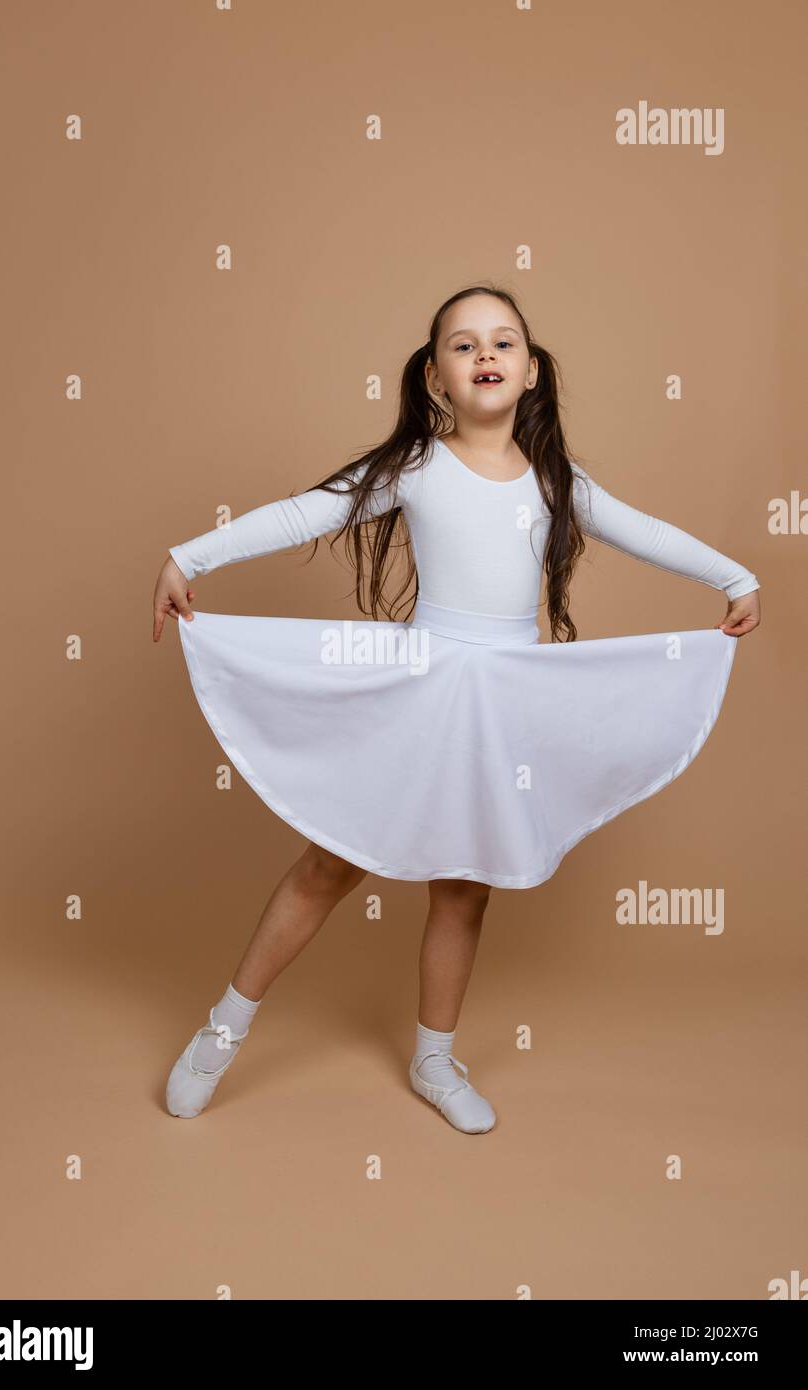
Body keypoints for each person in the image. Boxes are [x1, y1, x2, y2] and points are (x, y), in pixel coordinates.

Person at [152, 284, 761, 1135]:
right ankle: (223, 1028)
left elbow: (644, 529)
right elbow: (306, 511)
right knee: (331, 863)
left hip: (503, 704)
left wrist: (735, 577)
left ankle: (435, 1056)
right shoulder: (415, 467)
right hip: (422, 689)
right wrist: (191, 554)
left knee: (465, 889)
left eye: (503, 342)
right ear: (436, 376)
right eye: (464, 344)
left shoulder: (556, 480)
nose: (485, 355)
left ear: (533, 372)